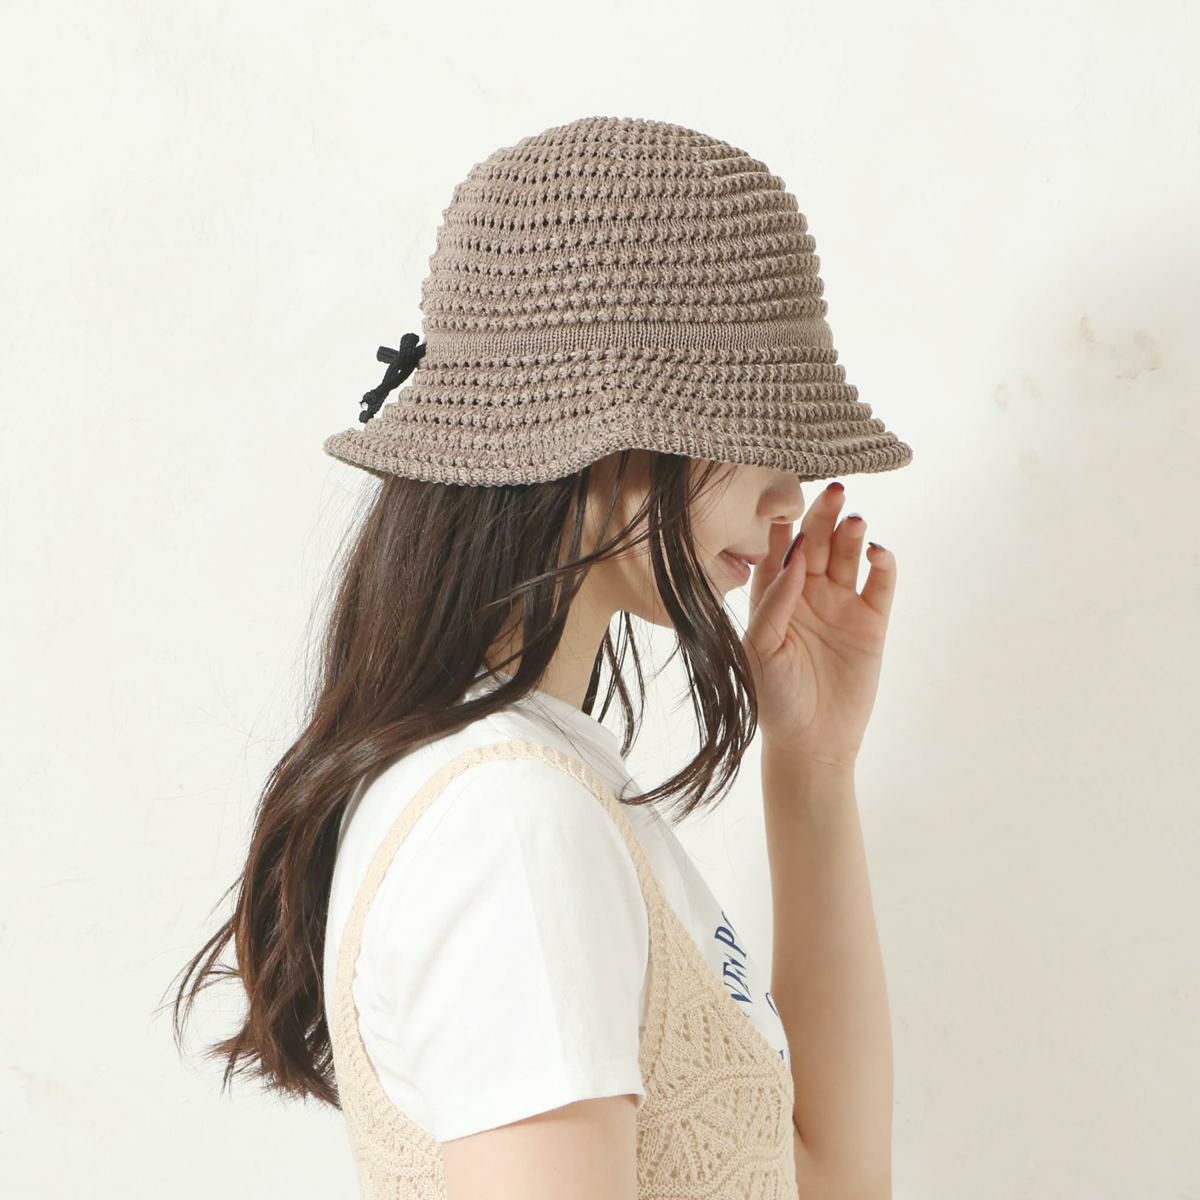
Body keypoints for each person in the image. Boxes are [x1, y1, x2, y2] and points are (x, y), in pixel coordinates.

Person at [169, 115, 912, 1200]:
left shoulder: (540, 782)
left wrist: (814, 765)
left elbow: (833, 1181)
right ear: (604, 427)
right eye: (750, 422)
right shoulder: (511, 824)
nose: (790, 492)